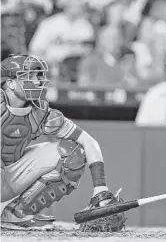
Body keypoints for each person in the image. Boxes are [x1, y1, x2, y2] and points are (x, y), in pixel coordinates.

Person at [1, 54, 126, 231]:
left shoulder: (40, 113)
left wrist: (100, 187)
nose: (37, 82)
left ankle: (17, 214)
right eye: (29, 76)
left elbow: (89, 142)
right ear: (11, 83)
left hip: (12, 173)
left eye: (38, 76)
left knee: (74, 152)